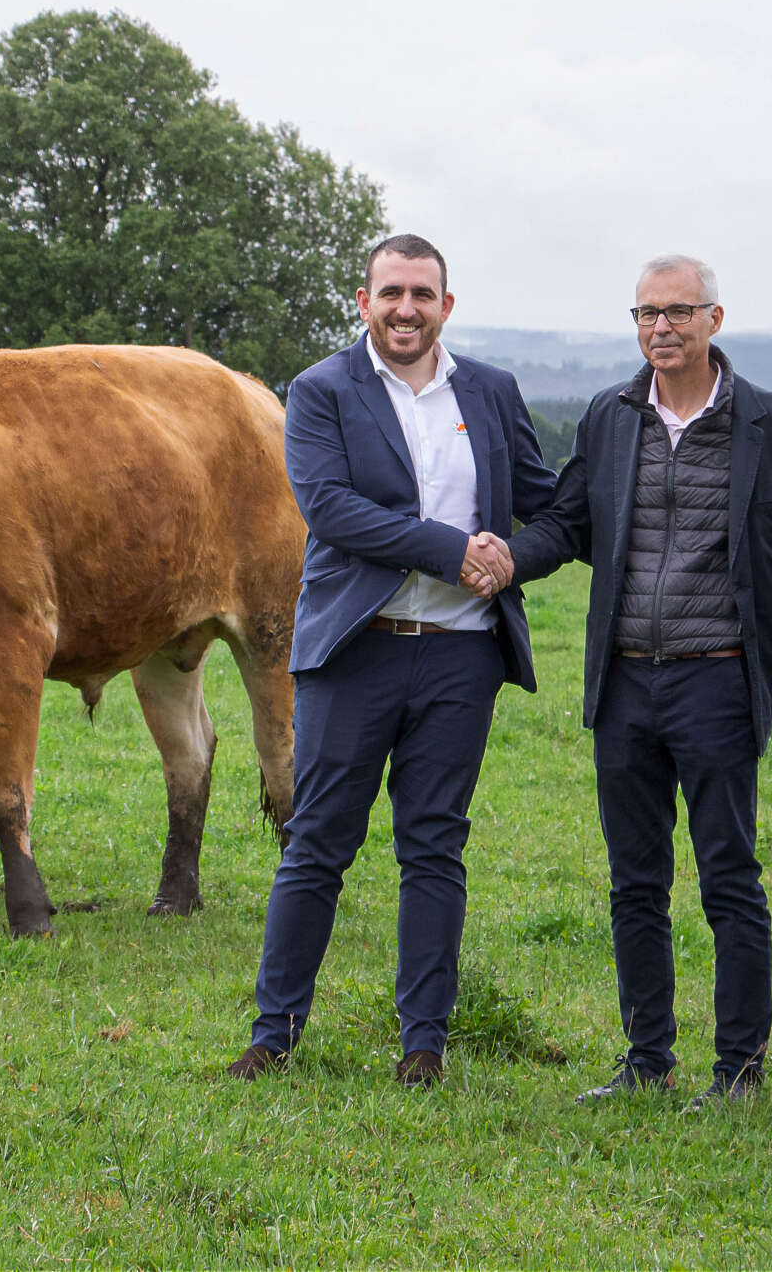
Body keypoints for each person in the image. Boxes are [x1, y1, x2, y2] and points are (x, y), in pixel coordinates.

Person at [225, 233, 557, 1088]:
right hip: (354, 653)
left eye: (422, 292)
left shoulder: (490, 391)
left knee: (434, 847)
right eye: (390, 292)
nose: (405, 307)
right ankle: (274, 1035)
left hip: (460, 659)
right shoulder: (322, 389)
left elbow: (548, 505)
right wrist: (455, 550)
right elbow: (332, 509)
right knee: (316, 844)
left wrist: (517, 558)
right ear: (364, 301)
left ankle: (424, 1046)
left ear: (447, 304)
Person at [500, 254, 772, 1105]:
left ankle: (739, 1069)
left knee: (729, 877)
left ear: (715, 318)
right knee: (635, 881)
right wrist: (503, 560)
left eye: (678, 311)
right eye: (645, 313)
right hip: (625, 682)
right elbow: (568, 520)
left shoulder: (767, 423)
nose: (660, 327)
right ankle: (647, 1062)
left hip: (719, 678)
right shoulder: (611, 416)